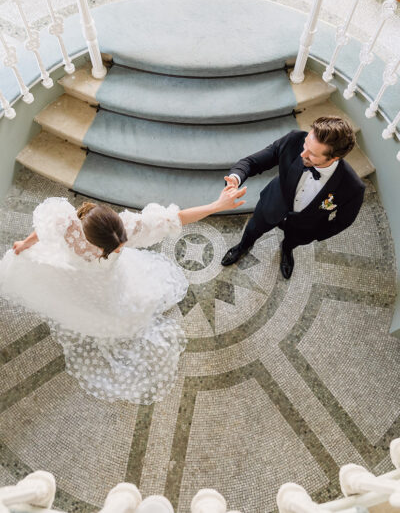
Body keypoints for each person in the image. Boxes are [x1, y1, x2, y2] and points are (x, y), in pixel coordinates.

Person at [0, 184, 246, 404]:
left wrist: (217, 205)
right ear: (95, 241)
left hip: (111, 280)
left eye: (121, 244)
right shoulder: (65, 223)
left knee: (118, 301)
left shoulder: (126, 227)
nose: (121, 247)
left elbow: (177, 217)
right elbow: (42, 233)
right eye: (115, 248)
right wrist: (24, 245)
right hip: (82, 278)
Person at [221, 116, 365, 279]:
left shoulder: (353, 188)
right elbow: (252, 162)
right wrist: (235, 178)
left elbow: (342, 222)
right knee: (253, 229)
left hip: (304, 226)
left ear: (334, 158)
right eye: (306, 145)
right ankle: (242, 247)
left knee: (291, 242)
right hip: (273, 204)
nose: (303, 154)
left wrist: (315, 233)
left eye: (313, 154)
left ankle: (287, 251)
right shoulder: (294, 140)